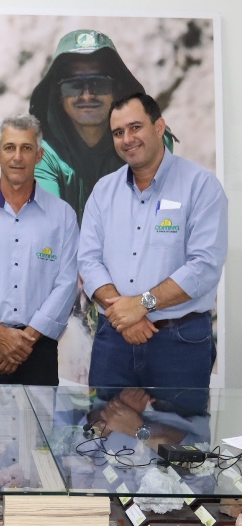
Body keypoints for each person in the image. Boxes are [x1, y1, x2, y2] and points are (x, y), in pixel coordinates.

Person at [78, 93, 227, 412]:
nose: (127, 139)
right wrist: (124, 314)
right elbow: (89, 260)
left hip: (180, 344)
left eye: (135, 127)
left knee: (182, 448)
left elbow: (204, 267)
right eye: (118, 132)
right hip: (114, 342)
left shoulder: (200, 185)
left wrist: (142, 305)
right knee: (106, 443)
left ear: (159, 126)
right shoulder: (104, 191)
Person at [0, 114, 79, 385]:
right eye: (9, 147)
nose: (17, 156)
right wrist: (0, 335)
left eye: (26, 148)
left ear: (40, 155)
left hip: (39, 348)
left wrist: (26, 339)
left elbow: (66, 283)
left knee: (38, 428)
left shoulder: (63, 215)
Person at [30, 29, 158, 225]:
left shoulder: (148, 141)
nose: (87, 95)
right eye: (73, 86)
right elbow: (47, 227)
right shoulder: (43, 156)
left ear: (117, 91)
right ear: (58, 95)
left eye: (99, 84)